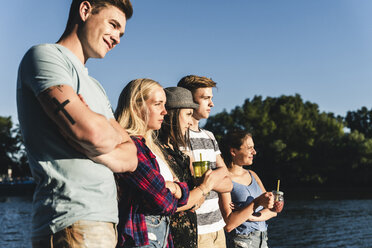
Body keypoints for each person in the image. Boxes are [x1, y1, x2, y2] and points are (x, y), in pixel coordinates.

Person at [16, 1, 137, 247]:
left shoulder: (96, 87)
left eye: (121, 33)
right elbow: (93, 134)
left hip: (103, 221)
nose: (117, 39)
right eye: (113, 25)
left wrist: (94, 141)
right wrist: (100, 134)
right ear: (85, 10)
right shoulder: (45, 56)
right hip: (69, 223)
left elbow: (131, 157)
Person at [114, 79, 190, 248]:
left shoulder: (151, 147)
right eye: (157, 104)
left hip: (160, 234)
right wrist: (174, 189)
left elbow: (184, 194)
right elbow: (162, 201)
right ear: (136, 107)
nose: (165, 112)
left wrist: (177, 188)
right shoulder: (130, 146)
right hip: (142, 236)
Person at [157, 87, 219, 248]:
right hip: (167, 239)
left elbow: (193, 200)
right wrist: (203, 188)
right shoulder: (157, 153)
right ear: (171, 114)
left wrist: (195, 194)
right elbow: (168, 204)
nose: (191, 122)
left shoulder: (180, 155)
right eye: (188, 114)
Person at [177, 75, 233, 248]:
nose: (212, 104)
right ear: (189, 100)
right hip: (197, 230)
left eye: (211, 98)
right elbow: (195, 181)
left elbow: (228, 181)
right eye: (205, 98)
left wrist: (208, 182)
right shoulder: (178, 138)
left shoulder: (209, 136)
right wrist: (214, 180)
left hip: (218, 228)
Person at [219, 130, 276, 248]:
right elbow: (229, 224)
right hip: (241, 241)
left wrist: (251, 216)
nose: (254, 152)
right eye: (249, 148)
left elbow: (272, 210)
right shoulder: (224, 179)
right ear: (233, 151)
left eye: (253, 148)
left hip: (262, 240)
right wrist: (257, 203)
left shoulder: (253, 174)